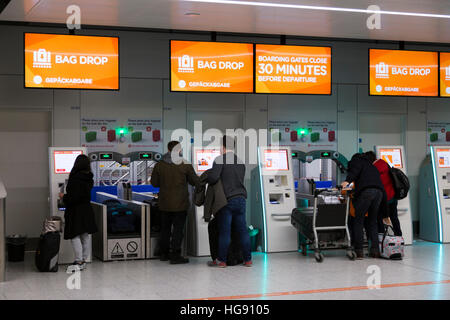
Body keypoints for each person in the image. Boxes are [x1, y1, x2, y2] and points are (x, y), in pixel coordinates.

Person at [206, 136, 252, 268]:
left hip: (227, 200)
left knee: (224, 231)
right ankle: (248, 260)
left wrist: (206, 175)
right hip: (241, 199)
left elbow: (213, 178)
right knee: (242, 230)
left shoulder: (220, 160)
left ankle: (222, 260)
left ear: (223, 146)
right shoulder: (240, 162)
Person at [151, 141, 199, 264]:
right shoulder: (185, 164)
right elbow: (195, 181)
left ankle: (164, 254)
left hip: (164, 203)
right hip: (180, 203)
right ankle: (175, 255)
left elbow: (154, 183)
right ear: (179, 150)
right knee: (178, 230)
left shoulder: (160, 165)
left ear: (168, 149)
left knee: (165, 229)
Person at [341, 152, 388, 259]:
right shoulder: (372, 167)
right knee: (372, 222)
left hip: (367, 193)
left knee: (358, 221)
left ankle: (359, 251)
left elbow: (354, 172)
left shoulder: (357, 161)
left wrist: (346, 181)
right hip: (379, 194)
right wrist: (386, 213)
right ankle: (375, 251)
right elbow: (381, 188)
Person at [59, 154, 98, 272]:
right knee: (85, 235)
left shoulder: (75, 178)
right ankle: (84, 260)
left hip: (75, 210)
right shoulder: (89, 177)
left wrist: (63, 196)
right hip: (86, 209)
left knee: (74, 235)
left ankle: (79, 260)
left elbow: (73, 197)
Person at [365, 151, 402, 236]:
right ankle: (399, 237)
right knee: (394, 217)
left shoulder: (373, 168)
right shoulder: (384, 163)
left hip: (383, 198)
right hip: (392, 195)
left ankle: (382, 238)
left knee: (379, 218)